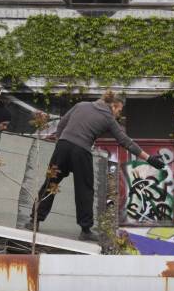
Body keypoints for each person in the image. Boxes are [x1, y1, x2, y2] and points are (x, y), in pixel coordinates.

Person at [28, 90, 166, 241]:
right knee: (84, 189)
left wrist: (61, 142)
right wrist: (149, 158)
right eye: (119, 110)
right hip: (81, 151)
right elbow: (125, 141)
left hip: (62, 146)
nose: (118, 113)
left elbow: (61, 124)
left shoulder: (81, 105)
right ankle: (85, 230)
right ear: (114, 105)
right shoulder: (108, 118)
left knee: (50, 183)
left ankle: (34, 221)